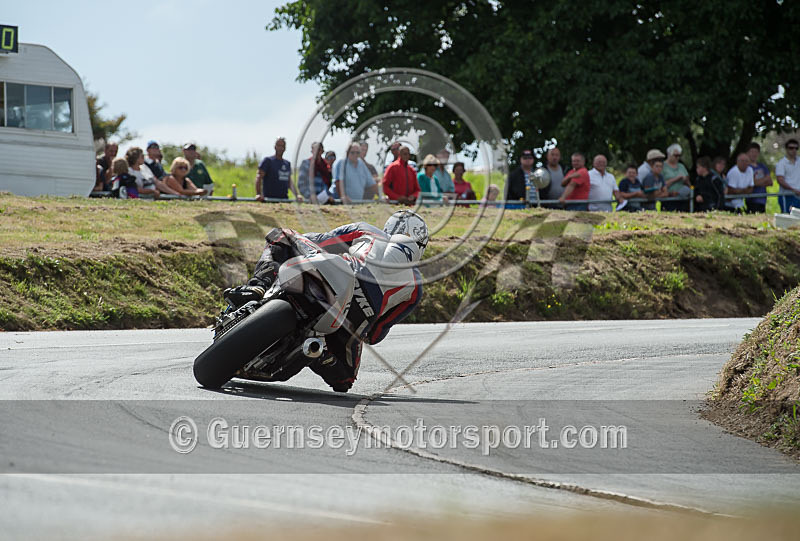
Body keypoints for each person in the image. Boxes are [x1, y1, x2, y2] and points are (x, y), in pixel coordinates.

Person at [223, 210, 428, 392]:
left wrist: (304, 249)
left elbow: (322, 241)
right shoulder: (416, 287)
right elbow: (375, 335)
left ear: (390, 226)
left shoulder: (367, 230)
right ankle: (318, 353)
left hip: (342, 271)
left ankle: (257, 286)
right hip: (362, 314)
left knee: (282, 235)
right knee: (344, 381)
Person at [256, 137, 302, 202]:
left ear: (285, 148)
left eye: (282, 146)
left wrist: (297, 195)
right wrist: (258, 194)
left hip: (284, 200)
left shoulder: (287, 164)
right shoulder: (268, 161)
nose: (280, 148)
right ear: (275, 147)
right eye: (279, 145)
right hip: (269, 200)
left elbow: (289, 182)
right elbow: (259, 177)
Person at [662, 144, 691, 211]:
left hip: (683, 198)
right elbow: (661, 184)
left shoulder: (681, 166)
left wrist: (685, 180)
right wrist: (676, 179)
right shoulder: (662, 167)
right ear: (669, 154)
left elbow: (689, 183)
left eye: (679, 156)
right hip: (669, 198)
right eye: (675, 155)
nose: (677, 158)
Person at [745, 142, 772, 214]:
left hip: (763, 200)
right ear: (747, 153)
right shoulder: (746, 168)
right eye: (752, 151)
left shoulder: (762, 166)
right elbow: (751, 183)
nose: (754, 154)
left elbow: (770, 182)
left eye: (756, 152)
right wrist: (763, 180)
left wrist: (757, 182)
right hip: (751, 200)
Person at [776, 139, 800, 213]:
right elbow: (780, 180)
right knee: (788, 219)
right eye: (791, 148)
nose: (794, 150)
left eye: (796, 148)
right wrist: (793, 190)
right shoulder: (781, 163)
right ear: (786, 149)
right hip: (787, 196)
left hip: (798, 195)